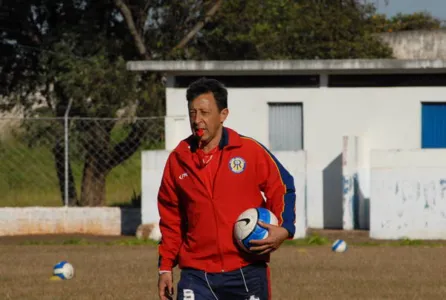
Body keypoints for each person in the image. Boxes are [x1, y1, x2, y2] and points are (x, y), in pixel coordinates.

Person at [157, 77, 296, 300]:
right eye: (192, 113)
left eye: (204, 112)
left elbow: (283, 186)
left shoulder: (249, 150)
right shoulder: (178, 159)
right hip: (196, 274)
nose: (197, 120)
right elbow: (170, 218)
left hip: (246, 269)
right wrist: (165, 267)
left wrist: (285, 228)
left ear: (223, 114)